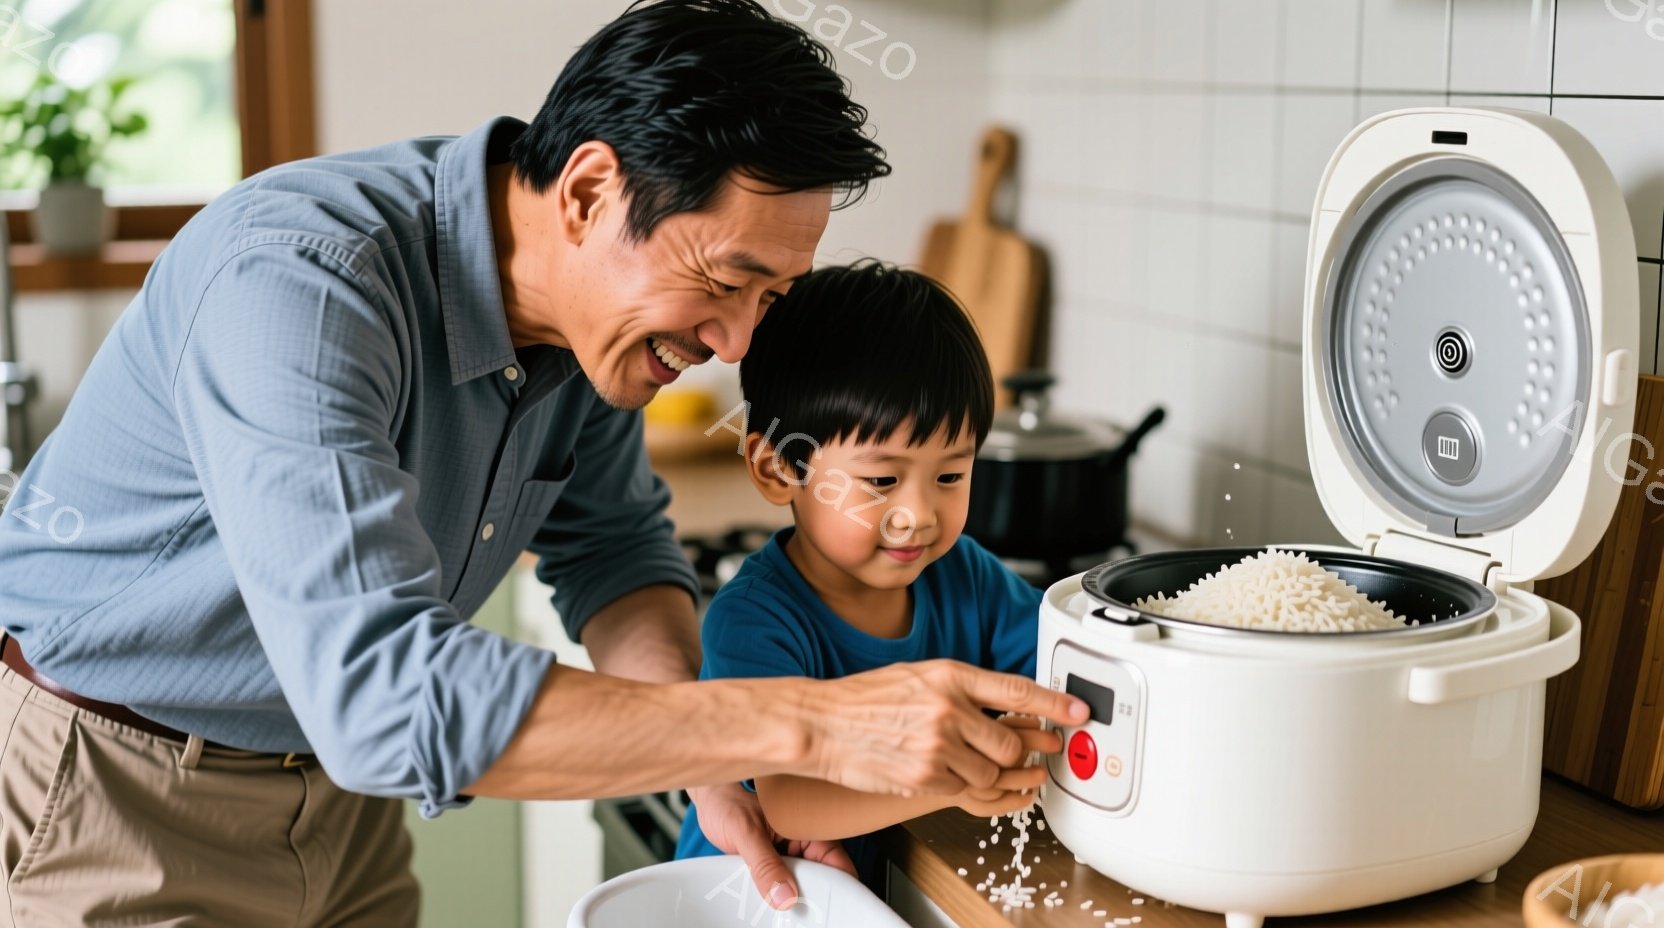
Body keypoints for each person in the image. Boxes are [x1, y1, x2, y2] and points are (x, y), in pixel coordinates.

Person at [0, 1, 1086, 924]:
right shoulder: (303, 282)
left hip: (335, 809)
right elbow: (384, 694)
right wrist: (812, 722)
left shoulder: (589, 330)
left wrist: (702, 766)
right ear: (585, 193)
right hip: (113, 792)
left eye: (770, 299)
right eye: (724, 281)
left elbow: (613, 553)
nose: (736, 345)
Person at [675, 261, 1048, 892]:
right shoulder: (754, 619)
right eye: (881, 481)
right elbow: (792, 801)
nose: (919, 515)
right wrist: (954, 780)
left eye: (951, 476)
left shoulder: (968, 576)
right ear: (777, 470)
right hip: (762, 901)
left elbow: (1055, 670)